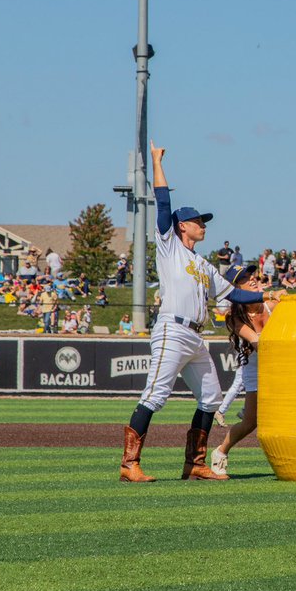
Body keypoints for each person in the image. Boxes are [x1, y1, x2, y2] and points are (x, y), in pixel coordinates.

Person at [119, 142, 279, 484]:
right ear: (182, 227)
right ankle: (129, 463)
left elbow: (232, 292)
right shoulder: (169, 246)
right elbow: (163, 202)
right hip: (172, 330)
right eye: (196, 221)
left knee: (211, 398)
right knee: (155, 395)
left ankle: (195, 463)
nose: (202, 225)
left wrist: (267, 293)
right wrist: (156, 161)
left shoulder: (203, 264)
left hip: (195, 335)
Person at [210, 264, 277, 476]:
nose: (253, 279)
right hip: (256, 368)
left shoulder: (272, 304)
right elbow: (258, 343)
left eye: (252, 275)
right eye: (245, 278)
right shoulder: (234, 317)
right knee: (250, 423)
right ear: (235, 289)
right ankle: (220, 452)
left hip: (279, 364)